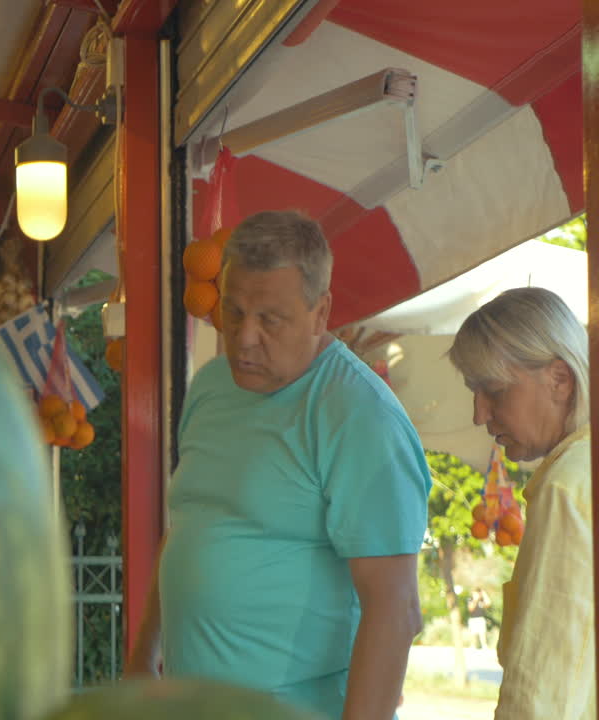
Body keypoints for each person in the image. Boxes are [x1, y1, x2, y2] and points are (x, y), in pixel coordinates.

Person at [126, 210, 431, 720]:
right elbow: (190, 526)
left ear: (321, 312)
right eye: (234, 310)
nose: (244, 337)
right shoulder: (210, 386)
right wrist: (141, 660)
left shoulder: (359, 416)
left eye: (270, 319)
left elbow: (395, 611)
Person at [447, 287, 594, 720]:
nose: (479, 414)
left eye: (493, 391)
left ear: (560, 379)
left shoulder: (567, 485)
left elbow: (543, 689)